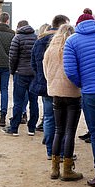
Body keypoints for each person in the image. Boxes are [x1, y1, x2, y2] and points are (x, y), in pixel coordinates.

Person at [63, 9, 95, 187]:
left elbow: (70, 71)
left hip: (91, 93)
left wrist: (83, 83)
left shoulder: (72, 41)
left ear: (78, 25)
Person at [44, 23, 83, 181]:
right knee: (69, 131)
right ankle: (67, 169)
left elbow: (46, 70)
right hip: (72, 92)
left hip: (56, 92)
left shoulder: (50, 50)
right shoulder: (73, 48)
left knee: (58, 130)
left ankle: (54, 168)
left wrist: (52, 83)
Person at [32, 15, 70, 159]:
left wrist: (42, 77)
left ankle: (50, 151)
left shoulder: (40, 40)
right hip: (63, 86)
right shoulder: (66, 40)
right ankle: (62, 151)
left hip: (45, 84)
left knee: (49, 117)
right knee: (64, 121)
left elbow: (34, 63)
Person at [3, 20, 37, 136]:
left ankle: (14, 128)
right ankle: (32, 128)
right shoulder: (36, 38)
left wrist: (12, 71)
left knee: (18, 102)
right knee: (34, 102)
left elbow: (12, 57)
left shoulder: (17, 38)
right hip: (33, 74)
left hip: (20, 73)